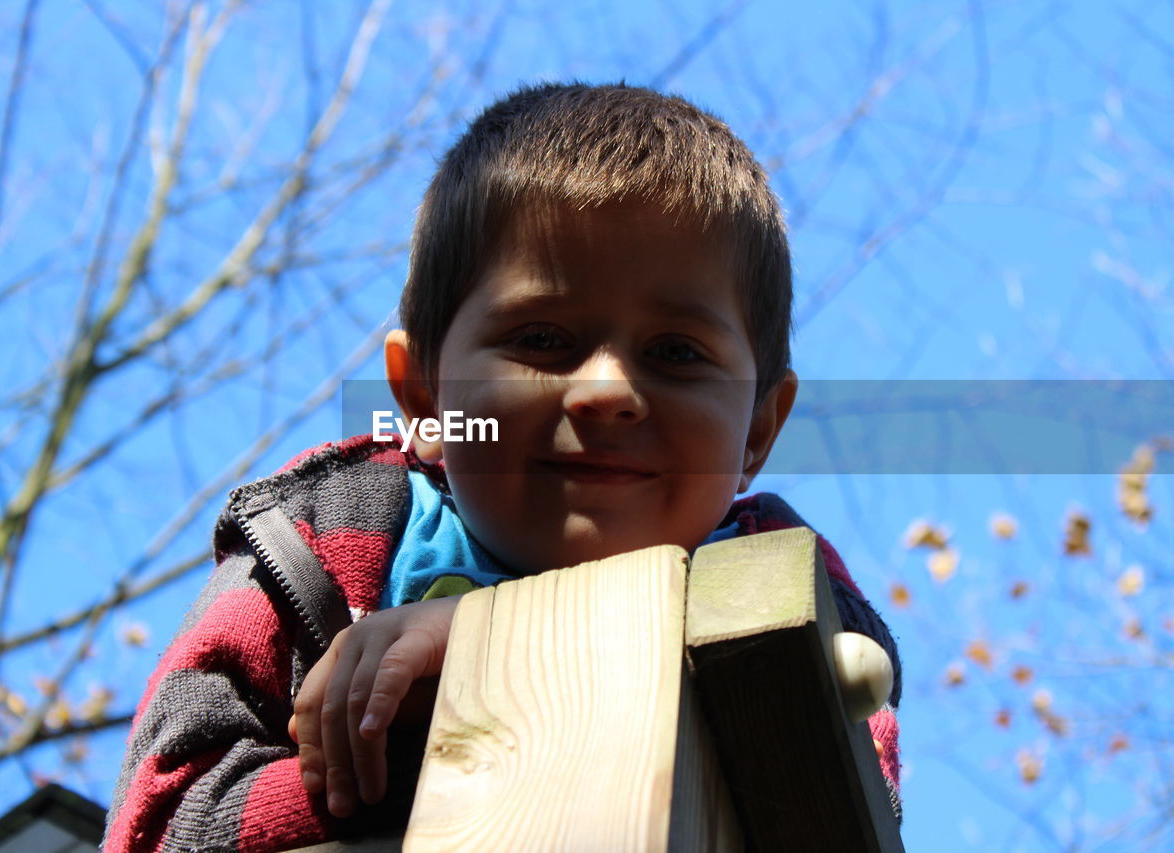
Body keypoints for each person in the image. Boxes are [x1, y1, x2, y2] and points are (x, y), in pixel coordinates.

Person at [104, 81, 902, 852]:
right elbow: (164, 817)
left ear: (759, 427)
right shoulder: (325, 537)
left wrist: (496, 660)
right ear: (424, 396)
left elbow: (844, 796)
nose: (608, 391)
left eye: (676, 353)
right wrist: (444, 755)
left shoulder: (779, 583)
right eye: (542, 339)